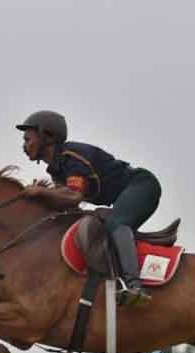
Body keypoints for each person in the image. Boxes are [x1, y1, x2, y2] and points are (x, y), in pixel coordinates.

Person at [16, 110, 162, 305]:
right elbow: (65, 205)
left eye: (28, 139)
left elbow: (73, 197)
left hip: (142, 185)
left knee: (114, 223)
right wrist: (44, 197)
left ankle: (135, 286)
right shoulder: (57, 169)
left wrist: (41, 193)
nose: (24, 146)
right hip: (123, 196)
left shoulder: (70, 155)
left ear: (47, 136)